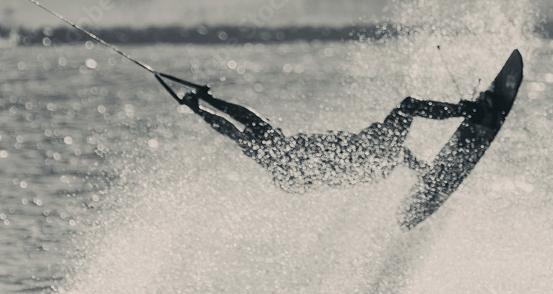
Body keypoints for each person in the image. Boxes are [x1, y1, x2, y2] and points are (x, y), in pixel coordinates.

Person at [176, 86, 487, 192]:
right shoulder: (272, 156)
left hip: (358, 162)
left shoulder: (277, 149)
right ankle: (464, 112)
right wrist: (198, 108)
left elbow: (243, 117)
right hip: (354, 166)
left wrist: (208, 99)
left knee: (391, 134)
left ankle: (425, 169)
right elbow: (230, 129)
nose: (267, 130)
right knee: (402, 114)